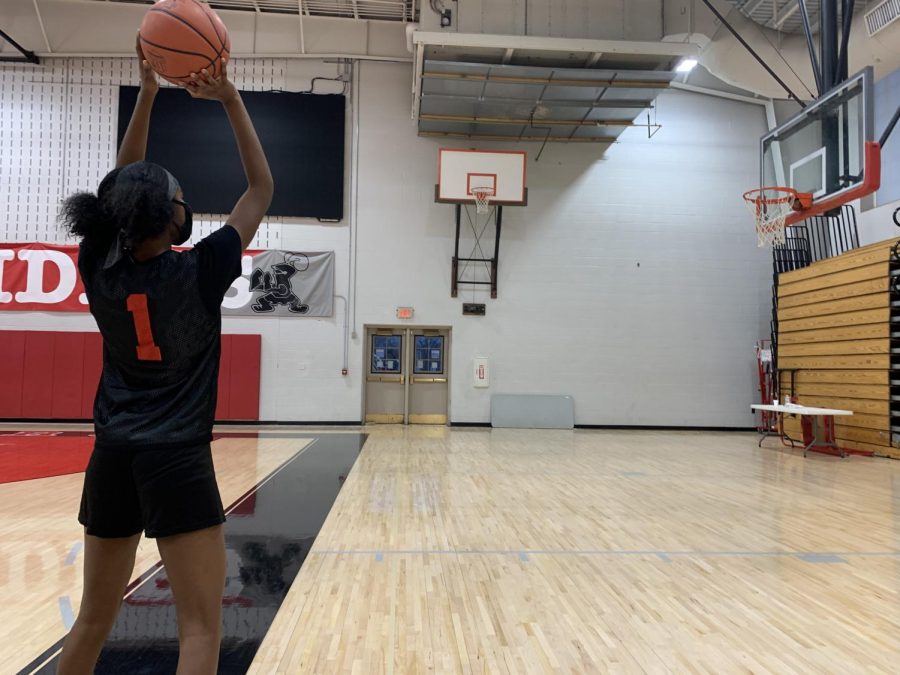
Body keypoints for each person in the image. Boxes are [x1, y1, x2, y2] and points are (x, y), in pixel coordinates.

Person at [57, 36, 273, 675]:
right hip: (176, 458)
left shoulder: (97, 265)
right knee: (200, 630)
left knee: (93, 620)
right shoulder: (202, 271)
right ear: (177, 219)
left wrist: (147, 91)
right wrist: (230, 99)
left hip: (112, 456)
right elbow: (260, 186)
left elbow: (120, 191)